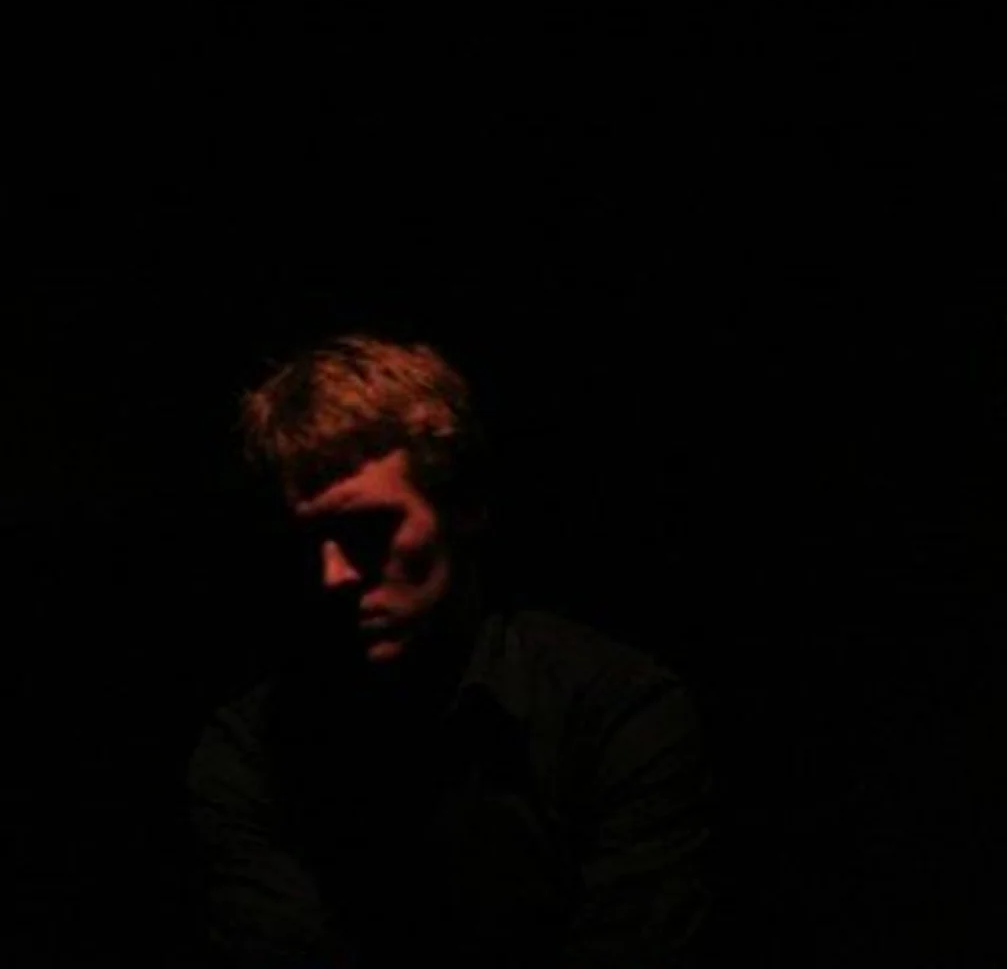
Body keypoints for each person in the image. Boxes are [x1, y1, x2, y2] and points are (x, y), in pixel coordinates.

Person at [187, 334, 711, 968]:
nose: (333, 576)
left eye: (367, 530)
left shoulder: (614, 714)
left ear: (464, 507)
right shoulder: (250, 751)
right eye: (310, 541)